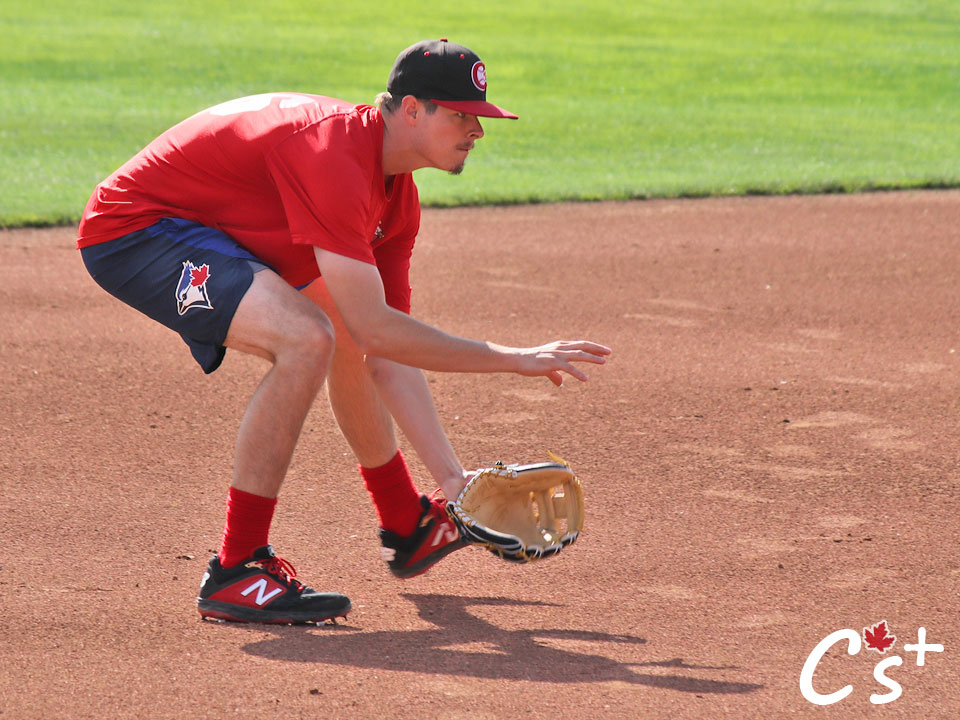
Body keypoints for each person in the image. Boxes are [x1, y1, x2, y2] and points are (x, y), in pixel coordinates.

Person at [77, 38, 611, 625]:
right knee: (307, 338)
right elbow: (382, 331)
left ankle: (408, 523)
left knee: (346, 334)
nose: (476, 130)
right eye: (461, 114)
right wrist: (515, 358)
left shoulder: (395, 202)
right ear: (412, 108)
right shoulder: (336, 157)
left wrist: (453, 482)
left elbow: (384, 348)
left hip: (220, 223)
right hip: (138, 229)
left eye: (479, 117)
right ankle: (236, 568)